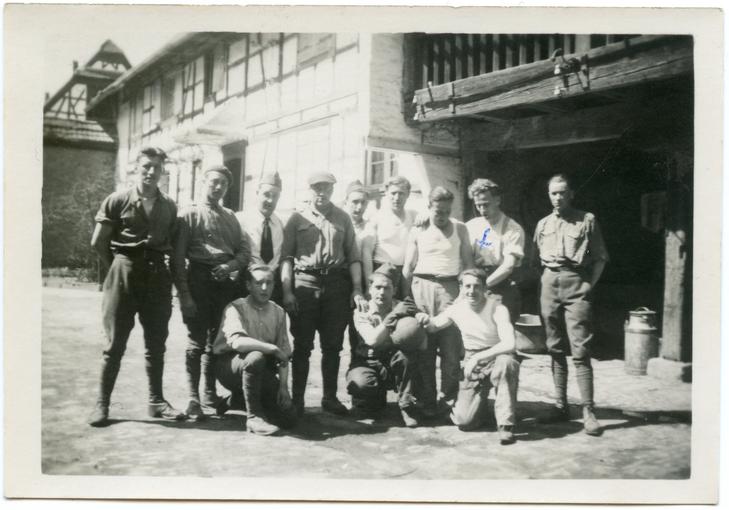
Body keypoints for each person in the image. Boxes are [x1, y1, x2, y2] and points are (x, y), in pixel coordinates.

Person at [87, 147, 184, 427]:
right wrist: (118, 268)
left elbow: (170, 242)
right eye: (146, 166)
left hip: (157, 278)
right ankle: (102, 404)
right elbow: (98, 242)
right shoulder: (117, 200)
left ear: (163, 172)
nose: (151, 171)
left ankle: (156, 402)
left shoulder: (169, 206)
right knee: (115, 344)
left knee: (156, 344)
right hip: (125, 271)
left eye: (157, 167)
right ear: (136, 168)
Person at [281, 172, 368, 417]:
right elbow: (286, 257)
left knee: (333, 345)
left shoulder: (343, 218)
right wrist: (287, 292)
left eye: (326, 188)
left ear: (332, 190)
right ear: (309, 190)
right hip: (305, 284)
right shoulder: (296, 219)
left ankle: (329, 397)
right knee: (302, 345)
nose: (321, 192)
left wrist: (357, 289)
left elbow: (353, 257)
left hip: (336, 286)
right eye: (316, 187)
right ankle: (297, 400)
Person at [533, 173, 609, 436]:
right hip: (549, 283)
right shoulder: (542, 224)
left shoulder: (586, 220)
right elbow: (535, 259)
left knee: (580, 348)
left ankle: (588, 409)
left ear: (571, 194)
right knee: (554, 347)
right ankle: (560, 405)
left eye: (563, 192)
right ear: (549, 195)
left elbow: (600, 257)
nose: (558, 197)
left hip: (576, 283)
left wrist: (589, 285)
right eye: (553, 193)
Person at [174, 165, 251, 420]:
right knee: (196, 341)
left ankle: (209, 393)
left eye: (223, 184)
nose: (218, 187)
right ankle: (193, 398)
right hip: (198, 280)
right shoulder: (189, 214)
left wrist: (229, 266)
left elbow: (244, 252)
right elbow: (177, 258)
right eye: (214, 182)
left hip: (224, 284)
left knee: (216, 341)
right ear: (204, 182)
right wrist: (184, 295)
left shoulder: (231, 216)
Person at [417, 269, 520, 445]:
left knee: (506, 364)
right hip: (474, 360)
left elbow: (510, 344)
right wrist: (425, 319)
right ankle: (482, 409)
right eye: (467, 286)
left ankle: (506, 425)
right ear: (461, 288)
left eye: (477, 287)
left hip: (497, 355)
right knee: (464, 422)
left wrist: (478, 358)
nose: (471, 291)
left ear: (485, 288)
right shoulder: (457, 308)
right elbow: (434, 326)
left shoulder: (497, 308)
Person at [402, 186, 474, 417]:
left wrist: (466, 294)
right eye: (437, 211)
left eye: (446, 211)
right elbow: (407, 267)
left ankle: (448, 401)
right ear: (429, 208)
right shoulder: (419, 228)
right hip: (421, 287)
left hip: (450, 288)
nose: (441, 215)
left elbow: (469, 265)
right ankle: (426, 401)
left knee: (451, 350)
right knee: (425, 350)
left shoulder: (460, 229)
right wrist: (409, 299)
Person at [212, 264, 297, 436]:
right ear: (248, 285)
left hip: (259, 370)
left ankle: (236, 400)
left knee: (289, 418)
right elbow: (238, 343)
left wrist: (283, 388)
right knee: (255, 356)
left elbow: (284, 354)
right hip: (229, 368)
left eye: (269, 283)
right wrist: (271, 348)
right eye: (259, 283)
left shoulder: (279, 312)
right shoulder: (235, 307)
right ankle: (254, 418)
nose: (265, 288)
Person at [346, 264, 424, 427]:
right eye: (378, 287)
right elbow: (372, 340)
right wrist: (393, 316)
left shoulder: (403, 305)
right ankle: (375, 397)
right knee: (361, 385)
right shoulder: (362, 310)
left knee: (407, 358)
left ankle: (405, 405)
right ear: (370, 289)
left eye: (387, 288)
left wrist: (420, 317)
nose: (382, 292)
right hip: (368, 361)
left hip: (393, 360)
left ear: (394, 290)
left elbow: (421, 339)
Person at [465, 178, 526, 320]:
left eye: (486, 205)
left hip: (502, 285)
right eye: (478, 205)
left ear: (497, 200)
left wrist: (482, 285)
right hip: (476, 282)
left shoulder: (512, 228)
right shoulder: (471, 226)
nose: (482, 210)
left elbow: (508, 266)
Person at [361, 176, 417, 298]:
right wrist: (368, 284)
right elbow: (366, 253)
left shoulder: (413, 216)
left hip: (404, 273)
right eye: (393, 193)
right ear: (386, 193)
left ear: (408, 194)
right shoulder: (377, 218)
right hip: (380, 270)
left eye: (401, 193)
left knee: (402, 308)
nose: (397, 198)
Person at [236, 172, 284, 304]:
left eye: (275, 196)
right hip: (247, 282)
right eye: (266, 194)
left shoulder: (280, 223)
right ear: (257, 192)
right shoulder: (240, 219)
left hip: (273, 285)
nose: (270, 200)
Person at [343, 180, 373, 357]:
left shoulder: (370, 227)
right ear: (346, 201)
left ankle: (359, 370)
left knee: (360, 331)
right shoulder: (338, 224)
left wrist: (367, 288)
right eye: (354, 202)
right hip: (340, 281)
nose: (359, 207)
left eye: (363, 202)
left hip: (362, 283)